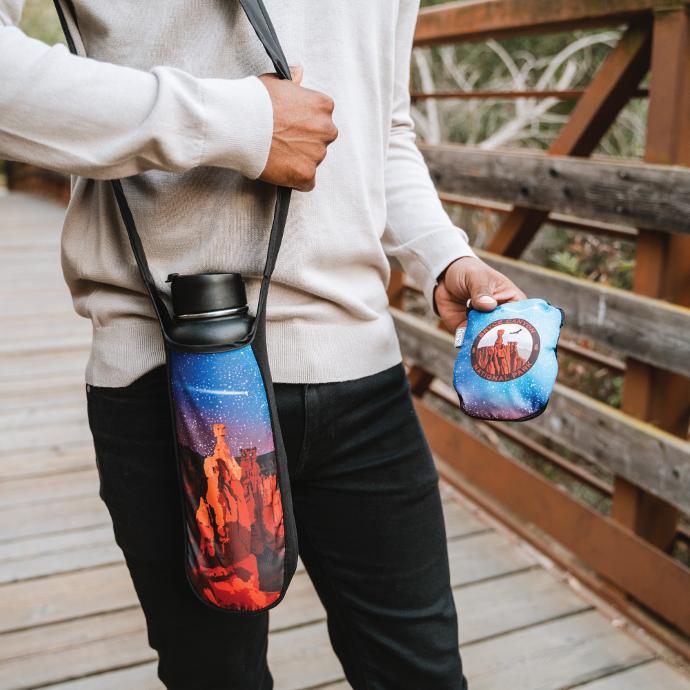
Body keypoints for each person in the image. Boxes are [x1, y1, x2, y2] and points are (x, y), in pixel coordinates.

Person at [0, 1, 525, 688]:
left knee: (422, 674)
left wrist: (444, 257)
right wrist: (238, 124)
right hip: (172, 382)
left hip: (364, 375)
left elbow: (382, 128)